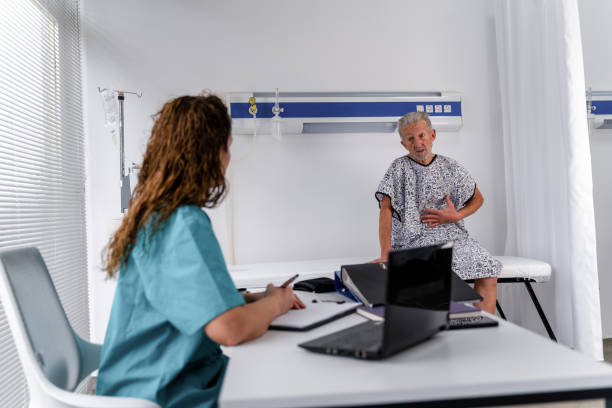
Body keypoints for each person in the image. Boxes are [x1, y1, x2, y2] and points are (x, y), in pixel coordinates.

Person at [96, 95, 305, 408]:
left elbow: (190, 302)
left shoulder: (157, 215)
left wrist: (256, 299)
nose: (228, 157)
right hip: (162, 394)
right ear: (211, 152)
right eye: (228, 146)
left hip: (150, 381)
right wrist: (277, 303)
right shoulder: (180, 223)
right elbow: (229, 329)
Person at [374, 111, 500, 314]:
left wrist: (456, 216)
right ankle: (432, 330)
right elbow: (385, 209)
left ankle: (482, 326)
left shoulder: (451, 166)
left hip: (454, 238)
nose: (418, 143)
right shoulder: (398, 168)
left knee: (488, 268)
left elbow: (478, 199)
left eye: (421, 136)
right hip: (413, 240)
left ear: (432, 135)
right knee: (429, 274)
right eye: (410, 139)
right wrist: (385, 252)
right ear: (404, 144)